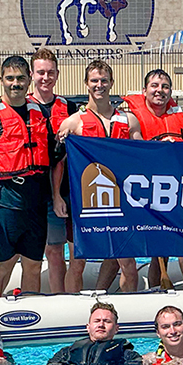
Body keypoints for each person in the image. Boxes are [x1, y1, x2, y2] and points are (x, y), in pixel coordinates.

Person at [122, 69, 183, 287]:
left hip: (171, 195)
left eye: (165, 87)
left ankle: (158, 291)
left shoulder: (181, 122)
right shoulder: (131, 119)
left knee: (161, 252)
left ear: (170, 92)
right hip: (141, 195)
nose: (160, 91)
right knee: (129, 251)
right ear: (144, 90)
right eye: (154, 86)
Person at [0, 55, 54, 298]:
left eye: (20, 78)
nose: (15, 83)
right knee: (1, 266)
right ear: (1, 81)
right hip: (5, 203)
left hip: (36, 205)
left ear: (29, 80)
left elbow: (51, 153)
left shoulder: (39, 113)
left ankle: (31, 316)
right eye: (10, 78)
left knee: (34, 265)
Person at [57, 59, 142, 294]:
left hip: (121, 202)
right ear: (86, 84)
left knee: (128, 265)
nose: (99, 85)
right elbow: (58, 165)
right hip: (85, 202)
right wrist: (57, 197)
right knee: (77, 263)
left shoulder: (129, 120)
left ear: (112, 83)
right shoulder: (73, 122)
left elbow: (144, 159)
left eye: (104, 80)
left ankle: (128, 310)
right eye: (94, 80)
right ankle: (74, 309)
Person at [29, 48, 79, 294]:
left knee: (75, 247)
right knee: (54, 248)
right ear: (32, 74)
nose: (45, 78)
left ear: (57, 74)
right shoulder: (23, 107)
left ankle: (71, 293)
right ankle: (59, 295)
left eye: (50, 73)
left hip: (70, 188)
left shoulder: (70, 109)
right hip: (40, 191)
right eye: (40, 72)